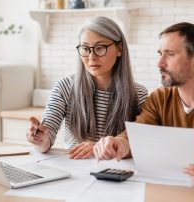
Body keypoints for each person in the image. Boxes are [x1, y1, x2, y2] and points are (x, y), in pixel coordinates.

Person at [93, 22, 194, 189]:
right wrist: (119, 143)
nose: (159, 63)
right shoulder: (160, 97)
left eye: (170, 54)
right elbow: (138, 134)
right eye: (160, 54)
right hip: (172, 190)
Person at [26, 16, 147, 160]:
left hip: (117, 172)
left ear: (119, 49)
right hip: (75, 170)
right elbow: (46, 139)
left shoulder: (138, 94)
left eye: (100, 48)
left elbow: (142, 143)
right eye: (85, 48)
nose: (91, 57)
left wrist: (99, 147)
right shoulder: (65, 87)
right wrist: (40, 138)